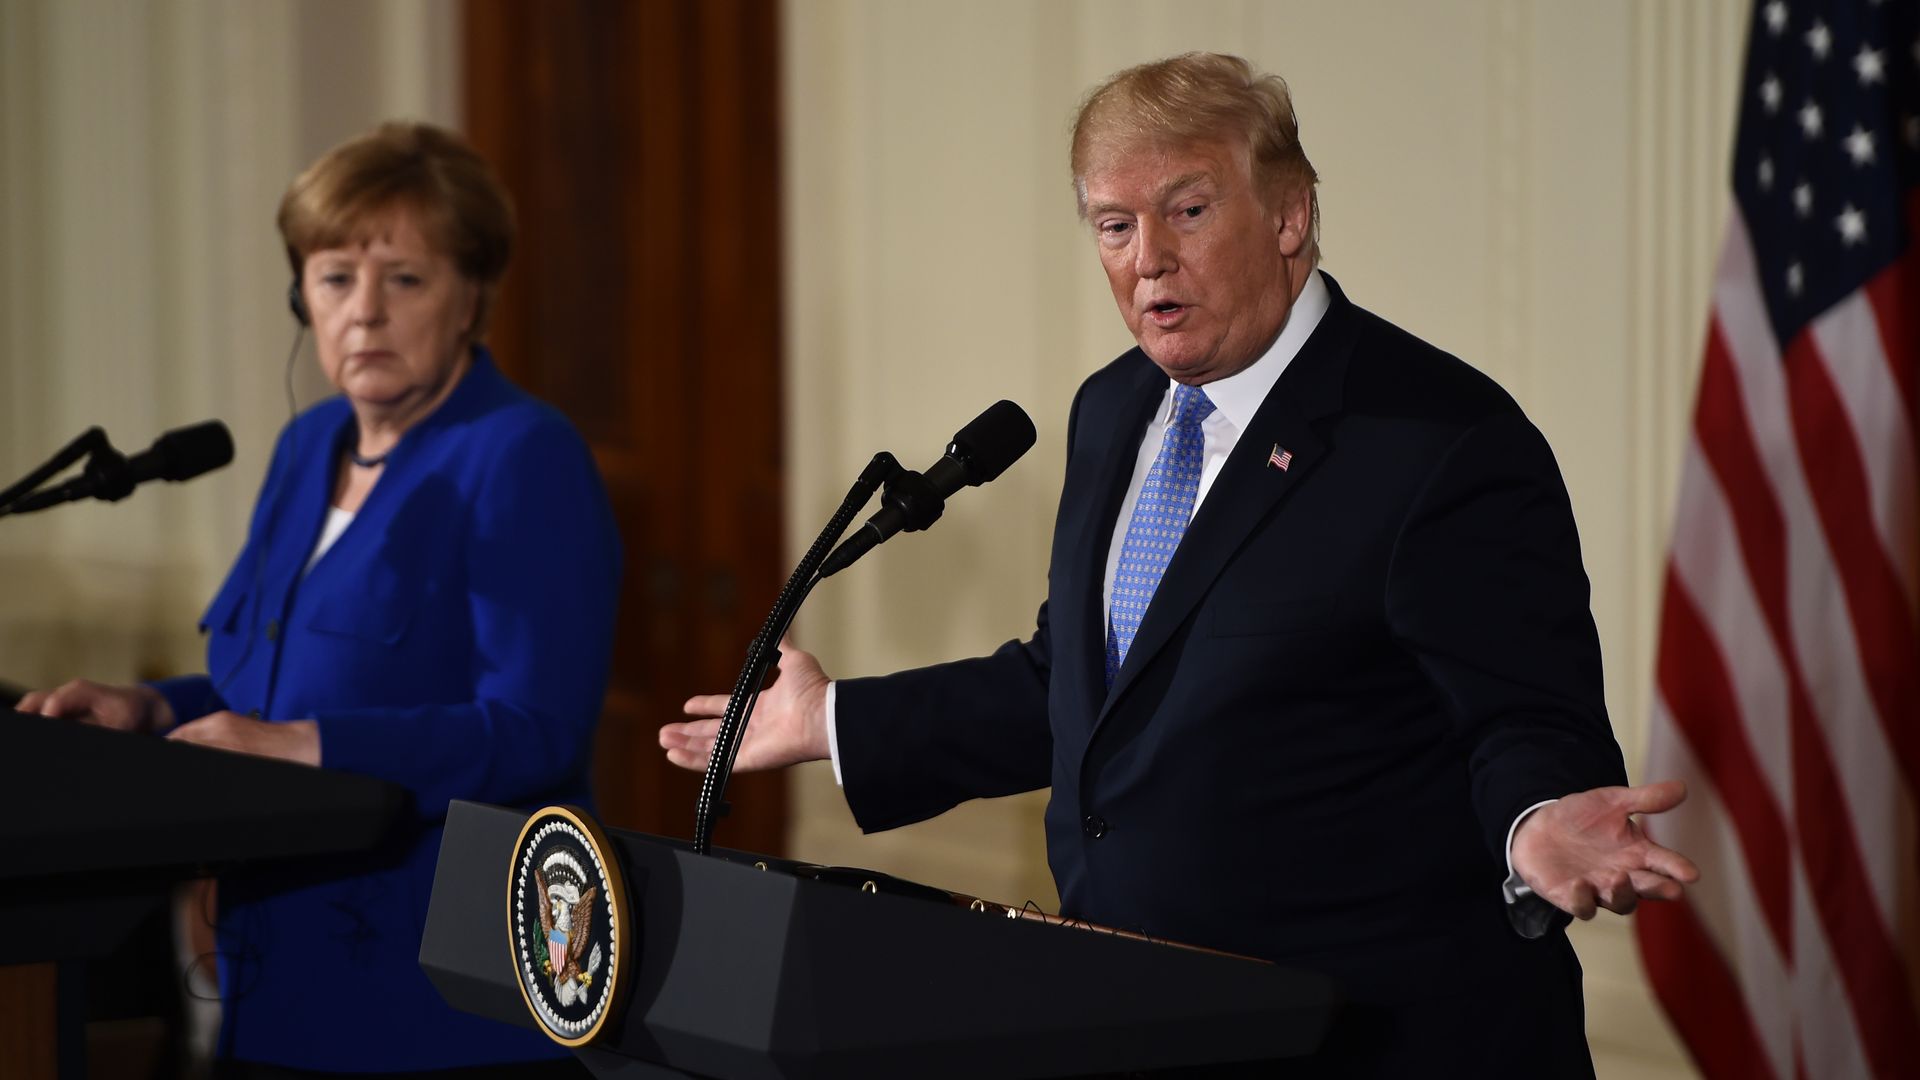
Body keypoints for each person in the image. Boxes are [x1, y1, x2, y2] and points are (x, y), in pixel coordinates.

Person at [661, 53, 1697, 1076]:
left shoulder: (1438, 438)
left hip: (1378, 1039)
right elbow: (1084, 690)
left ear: (1289, 215)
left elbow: (1525, 717)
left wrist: (1537, 817)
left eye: (1188, 212)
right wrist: (834, 722)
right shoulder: (1113, 410)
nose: (1148, 259)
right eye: (1114, 226)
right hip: (1147, 1023)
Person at [20, 122, 619, 1077]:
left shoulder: (522, 455)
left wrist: (311, 747)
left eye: (405, 279)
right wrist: (154, 710)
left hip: (436, 1002)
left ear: (473, 295)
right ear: (302, 296)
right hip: (275, 972)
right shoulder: (307, 448)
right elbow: (278, 686)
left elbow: (535, 730)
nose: (365, 313)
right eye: (336, 278)